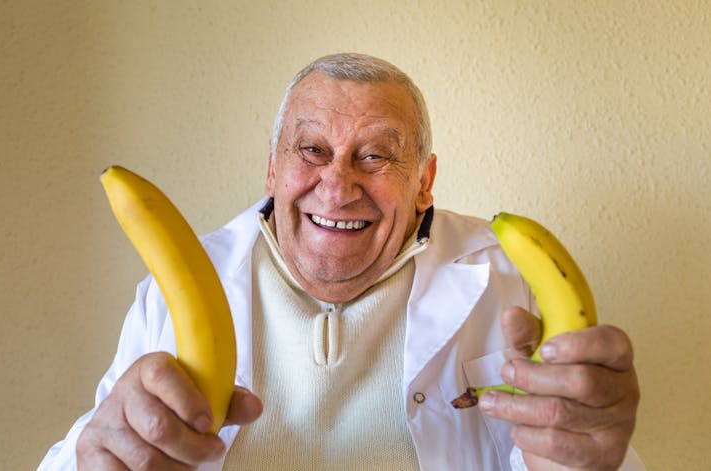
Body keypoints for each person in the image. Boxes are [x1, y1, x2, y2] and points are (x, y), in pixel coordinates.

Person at [39, 53, 643, 470]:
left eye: (376, 156)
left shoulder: (514, 284)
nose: (337, 185)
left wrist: (595, 451)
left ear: (425, 181)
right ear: (271, 166)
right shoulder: (173, 292)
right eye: (312, 150)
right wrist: (100, 450)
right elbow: (91, 452)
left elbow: (579, 456)